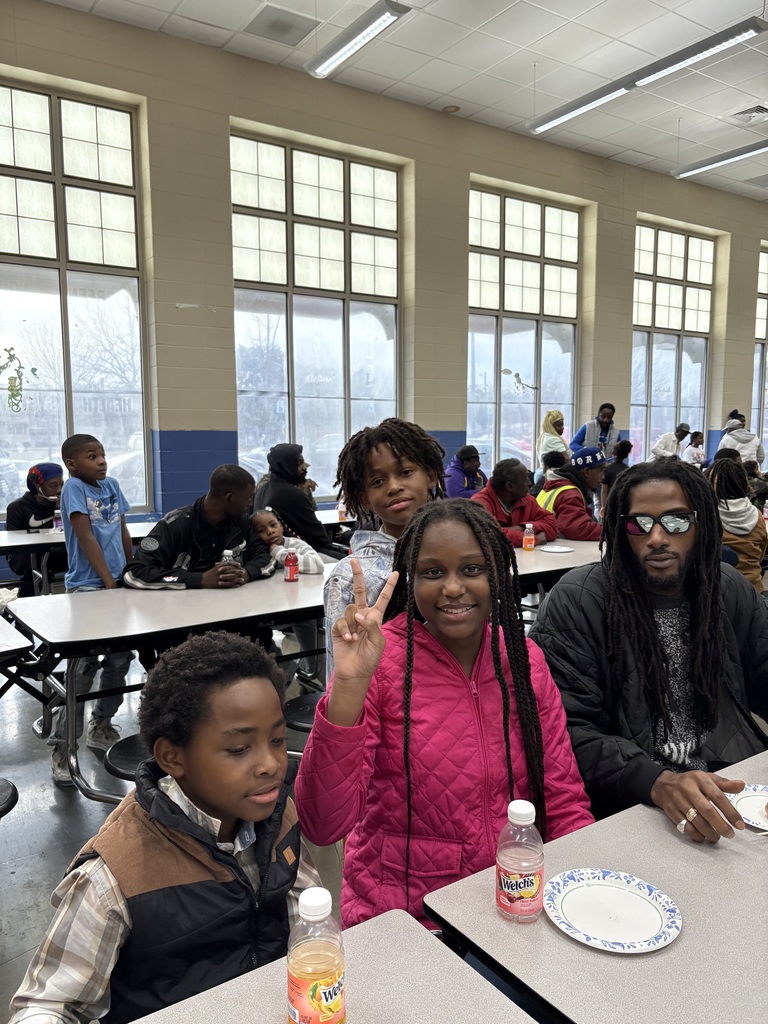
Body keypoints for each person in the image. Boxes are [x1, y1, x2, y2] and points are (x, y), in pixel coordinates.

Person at [295, 500, 593, 928]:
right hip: (407, 917)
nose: (453, 588)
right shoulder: (380, 666)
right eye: (433, 573)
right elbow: (323, 824)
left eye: (472, 569)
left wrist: (577, 892)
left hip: (511, 902)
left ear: (498, 575)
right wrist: (348, 687)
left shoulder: (522, 660)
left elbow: (563, 798)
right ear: (409, 581)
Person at [9, 631, 321, 1024]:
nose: (271, 764)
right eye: (239, 749)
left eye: (277, 740)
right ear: (172, 757)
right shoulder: (115, 876)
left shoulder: (279, 817)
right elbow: (47, 1006)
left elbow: (313, 923)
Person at [529, 459, 768, 839]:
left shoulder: (726, 589)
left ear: (700, 524)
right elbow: (565, 729)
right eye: (639, 524)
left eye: (676, 521)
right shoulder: (578, 602)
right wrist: (656, 780)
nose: (657, 537)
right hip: (626, 803)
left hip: (728, 788)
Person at [323, 417, 445, 681]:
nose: (393, 487)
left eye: (405, 472)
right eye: (378, 481)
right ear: (365, 497)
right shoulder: (351, 578)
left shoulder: (458, 554)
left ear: (430, 475)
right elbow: (340, 678)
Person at [124, 464, 274, 591]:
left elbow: (265, 556)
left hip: (229, 609)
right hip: (179, 613)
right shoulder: (174, 525)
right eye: (248, 498)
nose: (251, 504)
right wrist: (199, 579)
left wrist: (246, 573)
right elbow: (134, 573)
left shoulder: (241, 522)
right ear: (229, 497)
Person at [252, 507, 325, 683]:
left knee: (307, 622)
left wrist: (278, 552)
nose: (270, 532)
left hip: (296, 606)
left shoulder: (294, 544)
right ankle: (282, 671)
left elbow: (317, 566)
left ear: (281, 526)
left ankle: (314, 669)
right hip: (266, 609)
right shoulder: (255, 550)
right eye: (261, 531)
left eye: (273, 525)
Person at [253, 444, 342, 560]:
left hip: (272, 554)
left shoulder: (262, 489)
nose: (304, 467)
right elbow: (318, 534)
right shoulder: (291, 493)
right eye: (299, 463)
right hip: (300, 553)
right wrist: (331, 548)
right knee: (351, 562)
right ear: (286, 466)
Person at [5, 462, 67, 597]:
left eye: (62, 485)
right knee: (35, 571)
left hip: (57, 554)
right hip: (27, 559)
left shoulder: (65, 504)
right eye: (53, 485)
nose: (59, 490)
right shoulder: (17, 508)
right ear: (37, 487)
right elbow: (15, 548)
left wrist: (64, 512)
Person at [708, 459, 767, 593]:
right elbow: (761, 554)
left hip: (719, 591)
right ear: (744, 482)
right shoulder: (757, 515)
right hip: (754, 590)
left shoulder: (708, 515)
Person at [471, 457, 557, 547]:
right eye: (525, 479)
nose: (529, 482)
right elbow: (491, 535)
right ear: (509, 486)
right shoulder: (480, 503)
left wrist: (522, 528)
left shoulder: (527, 500)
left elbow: (552, 525)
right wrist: (534, 539)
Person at [535, 447, 604, 541]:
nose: (603, 476)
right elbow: (577, 528)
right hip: (557, 550)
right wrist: (611, 532)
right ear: (587, 472)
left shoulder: (557, 485)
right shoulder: (570, 494)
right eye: (601, 470)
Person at [599, 439, 632, 512]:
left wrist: (603, 507)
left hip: (610, 504)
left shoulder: (607, 470)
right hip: (622, 505)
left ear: (613, 452)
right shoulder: (627, 470)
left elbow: (604, 491)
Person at [536, 409, 570, 474]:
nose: (562, 428)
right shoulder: (553, 440)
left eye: (562, 425)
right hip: (550, 474)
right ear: (551, 427)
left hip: (542, 472)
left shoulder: (544, 436)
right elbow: (567, 459)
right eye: (559, 426)